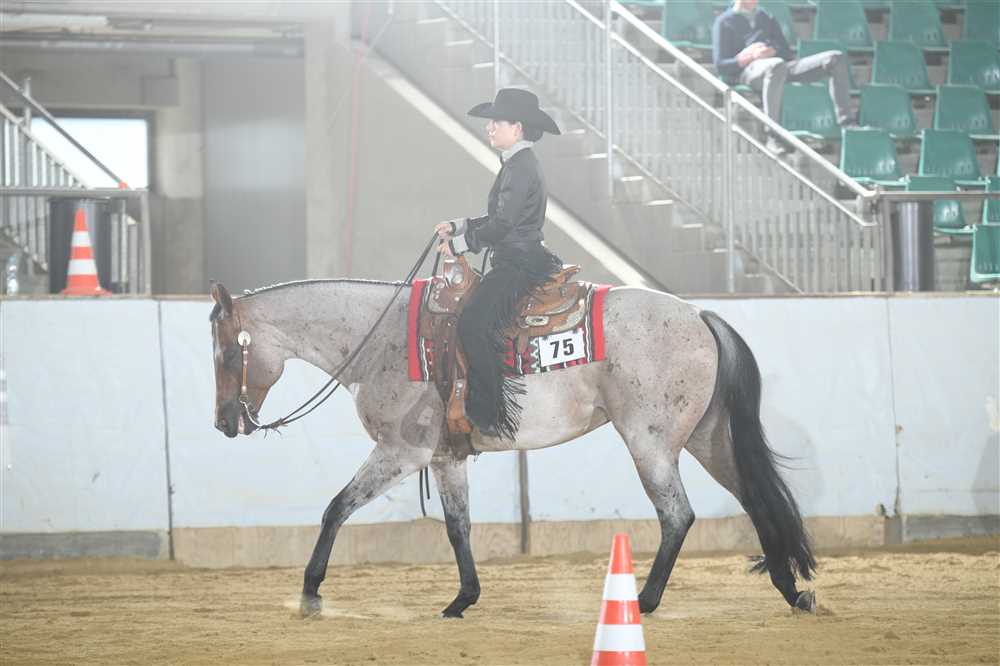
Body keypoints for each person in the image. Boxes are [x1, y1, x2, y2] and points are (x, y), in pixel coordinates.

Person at [434, 88, 563, 440]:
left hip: (518, 262)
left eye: (497, 122)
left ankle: (488, 415)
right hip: (519, 255)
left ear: (517, 127)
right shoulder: (518, 164)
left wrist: (461, 244)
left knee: (474, 323)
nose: (490, 127)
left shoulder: (520, 167)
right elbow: (500, 216)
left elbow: (503, 224)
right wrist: (461, 226)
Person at [712, 0, 854, 154]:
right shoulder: (724, 21)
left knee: (835, 58)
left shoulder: (766, 17)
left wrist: (771, 51)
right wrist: (749, 56)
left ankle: (846, 122)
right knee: (776, 65)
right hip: (749, 71)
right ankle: (772, 135)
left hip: (780, 66)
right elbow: (721, 64)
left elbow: (786, 52)